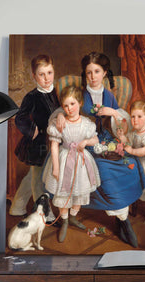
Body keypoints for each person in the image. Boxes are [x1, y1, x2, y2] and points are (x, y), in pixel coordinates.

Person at [79, 52, 145, 247]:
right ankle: (124, 221)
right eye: (89, 72)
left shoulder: (109, 95)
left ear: (104, 73)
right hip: (88, 140)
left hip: (108, 138)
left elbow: (120, 123)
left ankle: (121, 218)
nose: (92, 76)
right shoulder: (81, 95)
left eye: (97, 71)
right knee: (104, 169)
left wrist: (114, 112)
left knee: (130, 162)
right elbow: (71, 108)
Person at [9, 54, 63, 225]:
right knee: (39, 179)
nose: (46, 78)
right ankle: (43, 212)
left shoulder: (58, 92)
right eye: (41, 74)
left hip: (54, 142)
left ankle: (17, 206)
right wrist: (34, 131)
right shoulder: (32, 97)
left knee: (33, 177)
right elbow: (20, 118)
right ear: (34, 76)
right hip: (38, 144)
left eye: (49, 73)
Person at [42, 86, 101, 242]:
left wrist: (87, 141)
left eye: (73, 104)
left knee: (79, 192)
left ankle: (73, 216)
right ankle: (65, 220)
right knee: (64, 194)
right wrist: (55, 167)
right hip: (64, 159)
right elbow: (54, 145)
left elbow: (95, 139)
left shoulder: (87, 123)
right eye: (66, 105)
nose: (69, 108)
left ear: (80, 103)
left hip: (81, 162)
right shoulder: (60, 124)